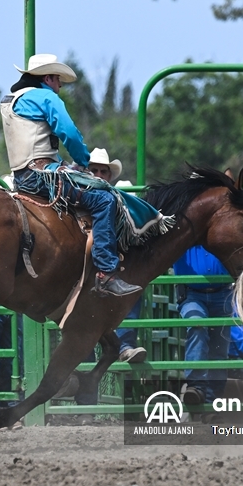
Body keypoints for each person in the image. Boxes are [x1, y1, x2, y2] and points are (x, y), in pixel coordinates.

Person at [1, 54, 139, 297]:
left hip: (21, 175)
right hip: (41, 176)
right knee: (104, 199)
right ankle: (106, 272)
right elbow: (70, 133)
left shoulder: (9, 100)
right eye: (58, 80)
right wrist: (84, 162)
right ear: (48, 78)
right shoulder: (45, 97)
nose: (60, 86)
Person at [89, 149, 148, 363]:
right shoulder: (76, 199)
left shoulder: (116, 201)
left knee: (131, 292)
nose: (98, 175)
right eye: (93, 170)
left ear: (109, 176)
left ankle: (125, 346)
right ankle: (84, 359)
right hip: (86, 269)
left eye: (103, 171)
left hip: (113, 267)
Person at [174, 246, 233, 406]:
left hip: (222, 291)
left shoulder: (220, 227)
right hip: (192, 292)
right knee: (197, 324)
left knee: (219, 349)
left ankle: (213, 402)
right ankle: (196, 387)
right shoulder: (184, 227)